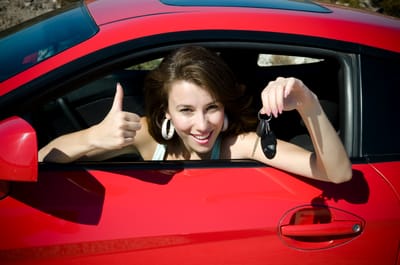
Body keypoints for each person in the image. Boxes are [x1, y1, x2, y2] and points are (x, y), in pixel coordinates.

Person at [39, 46, 352, 183]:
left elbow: (336, 173)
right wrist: (91, 138)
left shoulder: (239, 144)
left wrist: (308, 103)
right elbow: (41, 160)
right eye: (186, 110)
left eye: (212, 107)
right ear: (166, 111)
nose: (202, 126)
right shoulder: (147, 136)